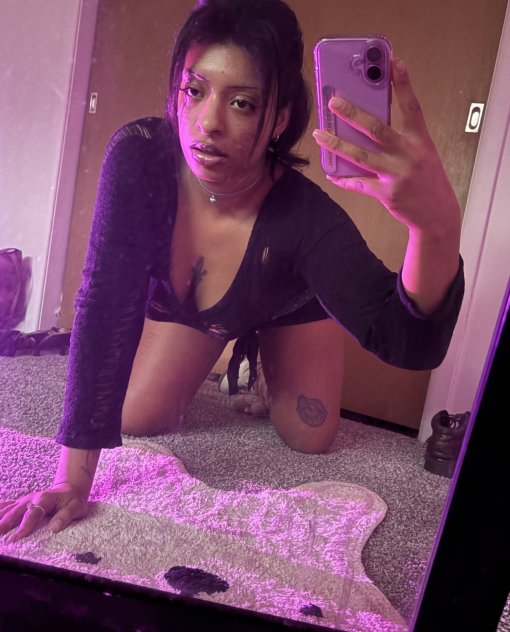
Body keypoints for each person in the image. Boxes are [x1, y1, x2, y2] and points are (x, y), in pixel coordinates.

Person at [0, 0, 463, 542]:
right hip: (201, 307)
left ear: (279, 119)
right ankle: (225, 338)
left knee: (309, 434)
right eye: (194, 90)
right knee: (133, 416)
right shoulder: (139, 156)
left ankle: (264, 346)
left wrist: (436, 227)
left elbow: (409, 344)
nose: (208, 123)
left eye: (242, 103)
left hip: (289, 299)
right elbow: (104, 304)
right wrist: (72, 482)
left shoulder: (305, 217)